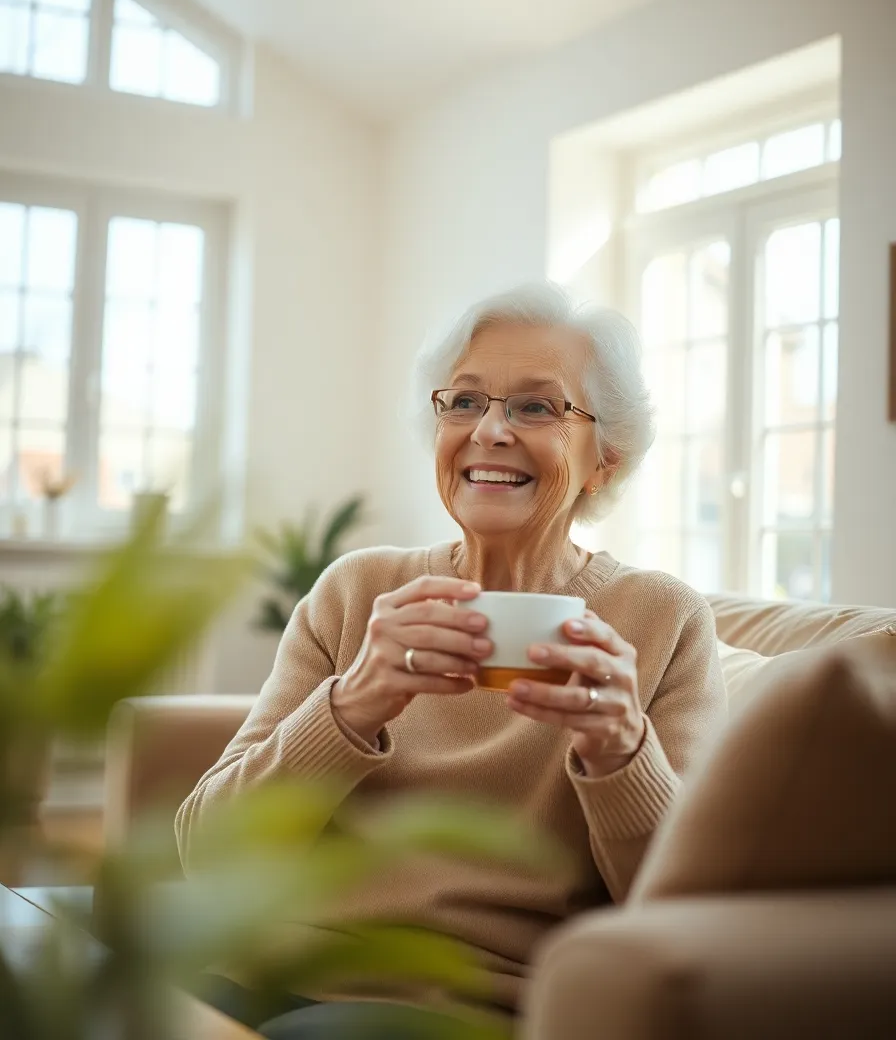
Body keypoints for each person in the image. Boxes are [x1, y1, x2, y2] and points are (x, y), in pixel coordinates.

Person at [177, 282, 726, 1038]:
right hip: (256, 970)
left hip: (453, 1008)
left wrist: (623, 753)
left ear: (606, 461)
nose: (489, 431)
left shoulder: (660, 620)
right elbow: (206, 853)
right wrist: (349, 707)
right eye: (463, 403)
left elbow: (683, 913)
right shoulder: (357, 592)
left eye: (537, 407)